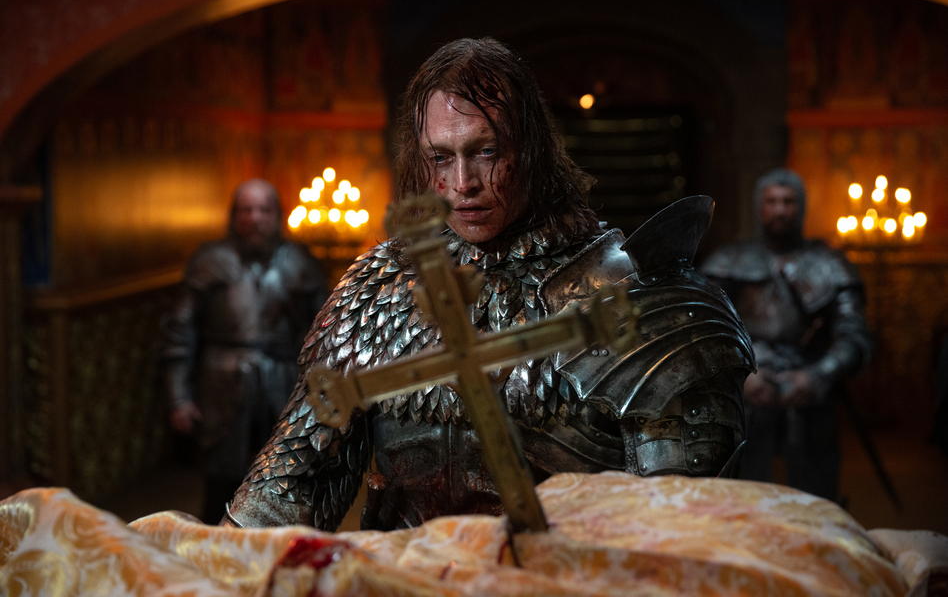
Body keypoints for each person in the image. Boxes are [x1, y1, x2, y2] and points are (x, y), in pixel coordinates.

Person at [224, 38, 754, 531]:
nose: (463, 185)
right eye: (440, 157)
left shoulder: (636, 293)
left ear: (532, 149)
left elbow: (680, 534)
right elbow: (285, 486)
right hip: (407, 581)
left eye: (486, 152)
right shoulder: (374, 290)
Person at [160, 178, 328, 524]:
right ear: (234, 215)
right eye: (246, 210)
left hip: (284, 382)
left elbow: (323, 333)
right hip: (222, 385)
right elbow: (180, 332)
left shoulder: (300, 260)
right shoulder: (209, 260)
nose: (255, 218)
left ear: (277, 215)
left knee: (287, 486)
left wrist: (322, 395)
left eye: (264, 210)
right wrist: (179, 398)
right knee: (221, 489)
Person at [702, 168, 872, 501]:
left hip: (808, 399)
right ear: (759, 206)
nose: (780, 210)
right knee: (740, 504)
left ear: (801, 206)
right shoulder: (728, 261)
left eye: (788, 201)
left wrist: (818, 375)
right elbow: (706, 333)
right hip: (744, 401)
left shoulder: (831, 265)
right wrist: (739, 376)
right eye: (772, 201)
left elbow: (854, 338)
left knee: (814, 504)